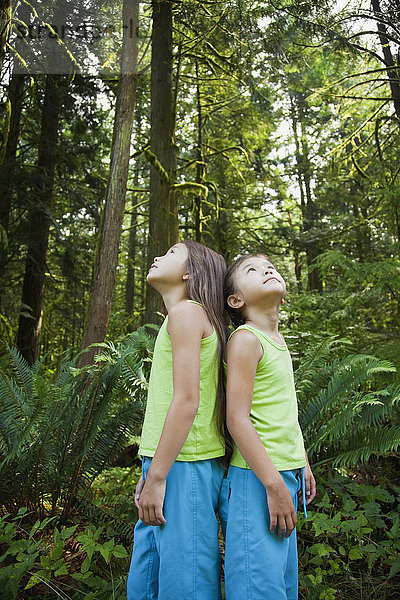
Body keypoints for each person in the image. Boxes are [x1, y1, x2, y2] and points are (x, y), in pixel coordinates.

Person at [127, 240, 228, 600]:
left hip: (185, 463)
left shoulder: (186, 314)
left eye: (171, 253)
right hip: (169, 459)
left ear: (190, 272)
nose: (157, 256)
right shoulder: (186, 315)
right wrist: (152, 469)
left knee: (187, 584)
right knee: (150, 577)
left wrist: (157, 476)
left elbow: (187, 402)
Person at [219, 253, 317, 600]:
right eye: (252, 270)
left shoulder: (277, 341)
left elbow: (286, 411)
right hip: (256, 481)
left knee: (282, 586)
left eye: (269, 266)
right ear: (236, 300)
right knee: (257, 587)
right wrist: (274, 485)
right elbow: (237, 418)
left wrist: (301, 462)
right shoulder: (246, 339)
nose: (267, 269)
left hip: (282, 475)